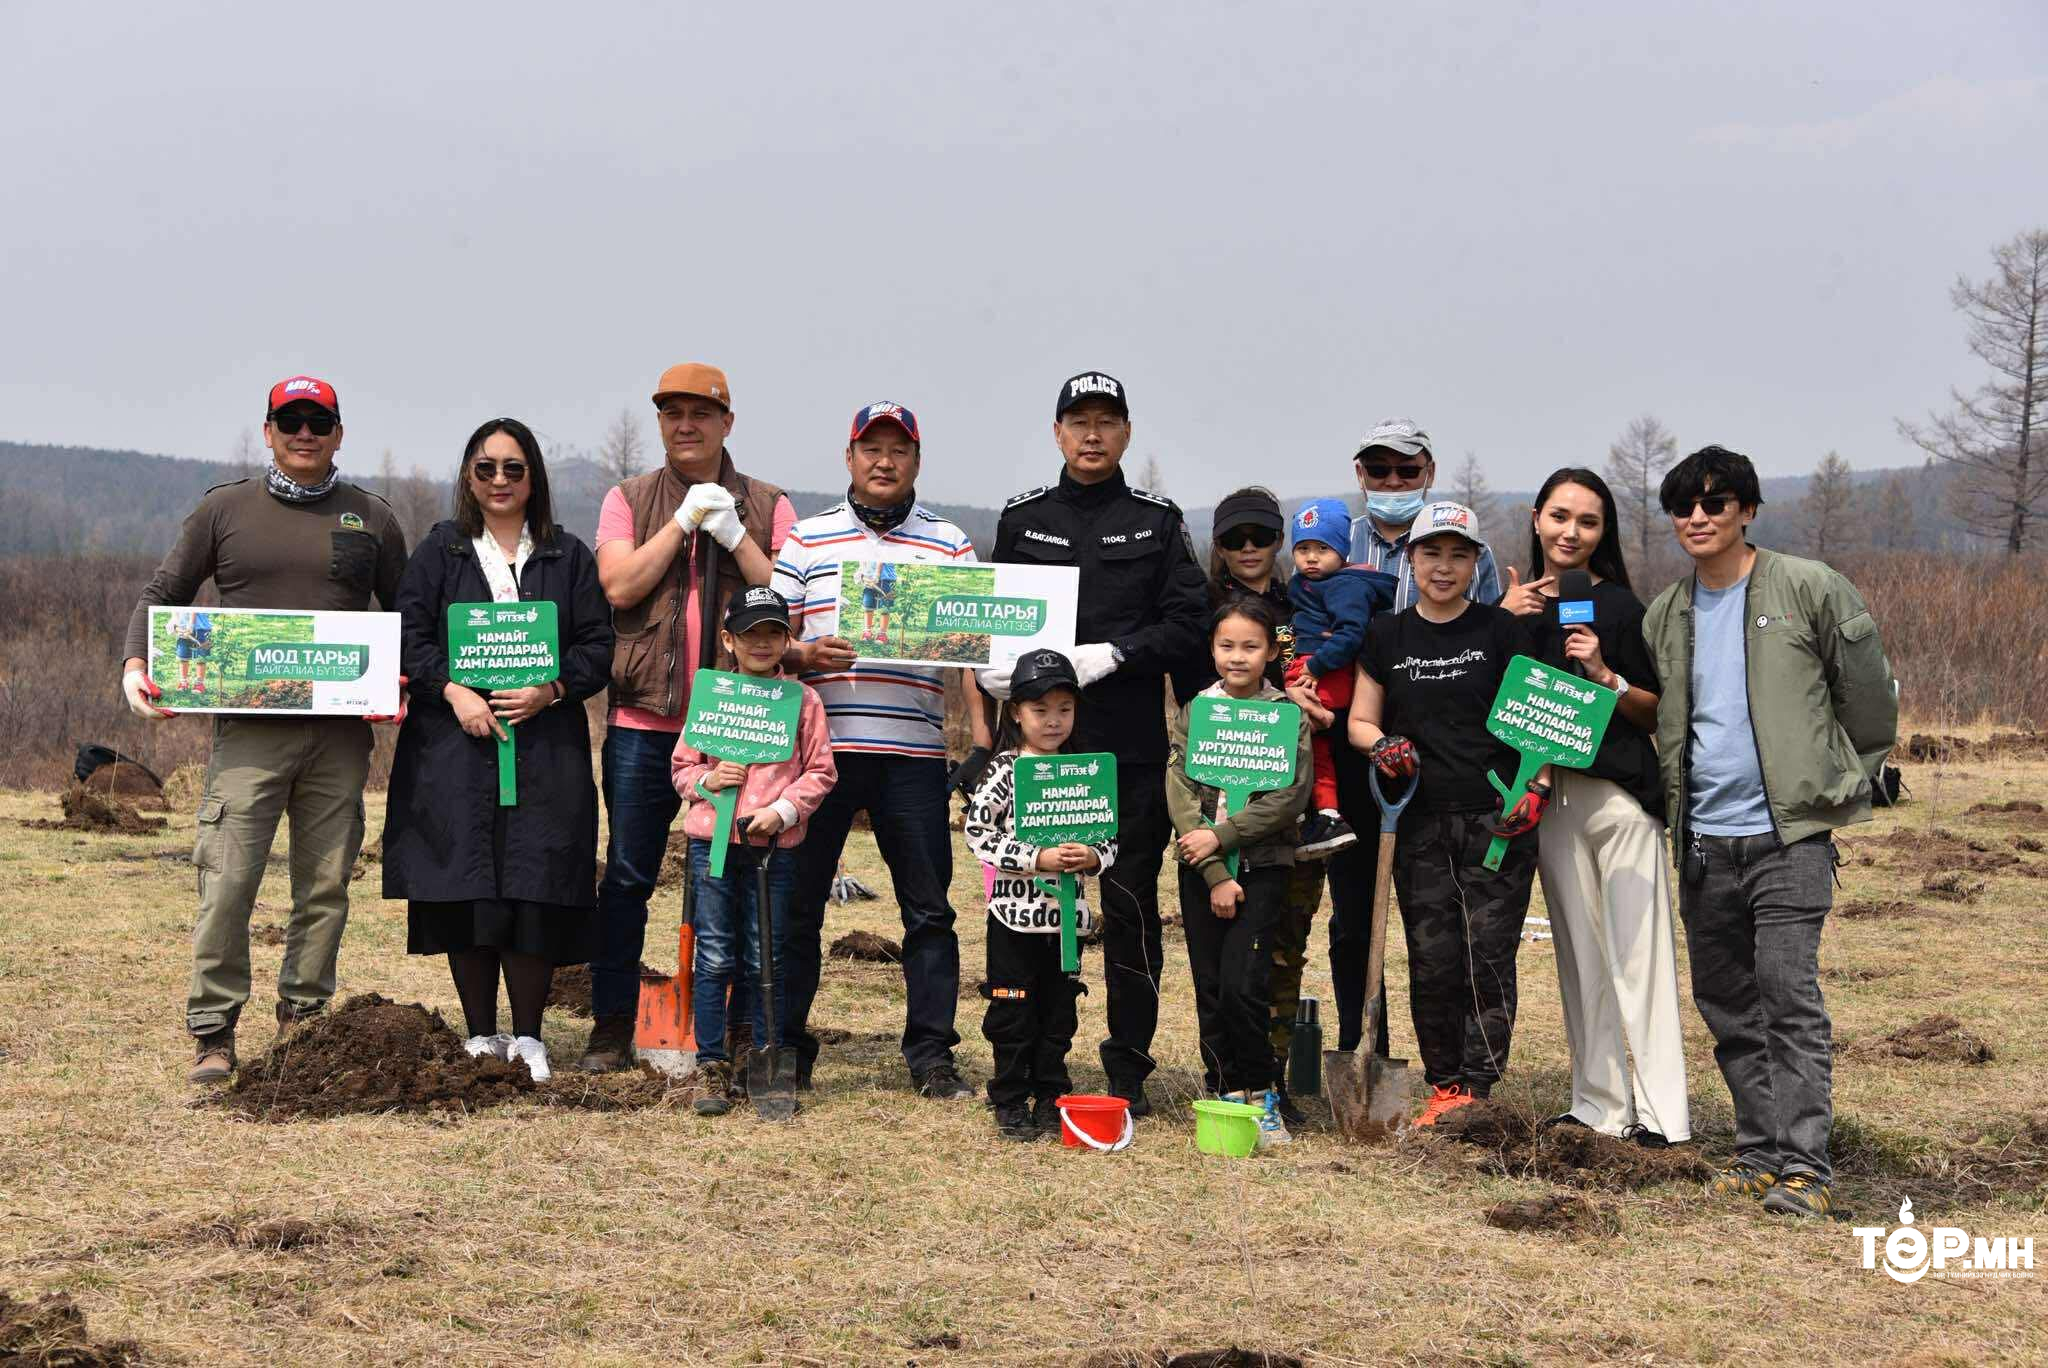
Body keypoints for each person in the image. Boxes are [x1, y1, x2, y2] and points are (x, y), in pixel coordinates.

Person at [120, 375, 407, 1083]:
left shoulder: (372, 518)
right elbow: (162, 595)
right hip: (249, 734)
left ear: (339, 433)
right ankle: (214, 1032)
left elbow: (411, 618)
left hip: (340, 739)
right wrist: (136, 667)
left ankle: (304, 1025)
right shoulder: (225, 509)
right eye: (290, 420)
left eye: (318, 421)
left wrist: (403, 681)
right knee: (228, 880)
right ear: (267, 430)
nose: (303, 433)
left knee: (326, 884)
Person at [1643, 445, 1897, 1218]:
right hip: (1702, 843)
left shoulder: (1808, 587)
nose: (1698, 518)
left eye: (1715, 504)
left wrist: (1838, 781)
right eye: (1684, 507)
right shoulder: (1666, 614)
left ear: (1747, 510)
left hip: (1788, 841)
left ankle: (1807, 1168)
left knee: (1789, 997)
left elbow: (1868, 698)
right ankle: (1758, 1154)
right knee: (1727, 1005)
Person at [984, 371, 1209, 1117]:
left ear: (1127, 434)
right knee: (1029, 909)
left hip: (1124, 757)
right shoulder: (1024, 519)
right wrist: (993, 688)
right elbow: (997, 618)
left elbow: (1189, 625)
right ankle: (1033, 1066)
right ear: (1056, 433)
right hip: (1039, 758)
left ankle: (1127, 1072)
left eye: (1107, 422)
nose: (1091, 435)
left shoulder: (1155, 521)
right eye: (1077, 422)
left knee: (1128, 915)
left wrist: (1116, 653)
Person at [380, 419, 612, 1083]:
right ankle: (481, 1031)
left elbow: (598, 644)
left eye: (514, 468)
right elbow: (409, 634)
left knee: (535, 885)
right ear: (468, 478)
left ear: (533, 476)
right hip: (457, 748)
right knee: (471, 886)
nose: (500, 481)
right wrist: (451, 691)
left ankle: (532, 1036)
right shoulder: (441, 552)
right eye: (486, 469)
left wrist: (553, 688)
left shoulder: (566, 557)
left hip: (546, 749)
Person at [581, 363, 797, 1073]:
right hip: (646, 725)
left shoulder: (770, 504)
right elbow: (618, 585)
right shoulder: (629, 499)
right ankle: (612, 1022)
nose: (685, 425)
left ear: (727, 422)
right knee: (630, 876)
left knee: (739, 876)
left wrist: (735, 535)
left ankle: (736, 1029)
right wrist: (680, 523)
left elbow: (788, 602)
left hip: (741, 728)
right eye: (672, 413)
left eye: (701, 413)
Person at [772, 402, 990, 1097]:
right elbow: (762, 646)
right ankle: (786, 1048)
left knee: (928, 912)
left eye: (899, 450)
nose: (884, 461)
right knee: (798, 907)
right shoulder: (807, 541)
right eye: (872, 449)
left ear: (917, 462)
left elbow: (973, 653)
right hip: (818, 755)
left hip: (914, 756)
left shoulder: (950, 544)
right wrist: (806, 654)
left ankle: (931, 1056)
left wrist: (982, 736)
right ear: (850, 458)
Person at [1499, 469, 1690, 1147]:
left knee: (1639, 954)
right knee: (1580, 956)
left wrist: (1607, 675)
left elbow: (1656, 711)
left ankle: (1665, 1118)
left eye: (1587, 521)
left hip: (1619, 797)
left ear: (1603, 533)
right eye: (1559, 517)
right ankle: (1599, 1106)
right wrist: (1502, 618)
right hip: (1549, 801)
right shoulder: (1510, 607)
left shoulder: (1619, 608)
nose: (1570, 532)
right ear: (1536, 518)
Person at [1314, 418, 1505, 1062]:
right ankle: (1364, 1043)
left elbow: (1489, 647)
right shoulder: (1339, 542)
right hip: (1361, 756)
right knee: (1354, 918)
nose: (1392, 481)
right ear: (1360, 474)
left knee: (1448, 931)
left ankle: (1460, 1064)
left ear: (1427, 472)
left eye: (1406, 470)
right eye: (1379, 470)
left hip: (1444, 768)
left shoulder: (1459, 545)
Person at [1349, 501, 1543, 1126]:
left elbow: (1542, 723)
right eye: (1432, 553)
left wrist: (1535, 785)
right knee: (1432, 956)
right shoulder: (1387, 635)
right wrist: (1381, 745)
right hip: (1417, 819)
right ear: (1412, 558)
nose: (1444, 566)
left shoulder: (1501, 631)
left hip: (1496, 819)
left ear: (1474, 562)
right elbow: (1360, 719)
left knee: (1487, 951)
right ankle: (1445, 1083)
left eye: (1459, 554)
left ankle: (1480, 1086)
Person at [1169, 487, 1322, 1126]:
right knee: (1209, 988)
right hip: (1200, 865)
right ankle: (1220, 1088)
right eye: (1227, 646)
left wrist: (1225, 841)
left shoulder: (1287, 716)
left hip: (1261, 863)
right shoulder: (1195, 711)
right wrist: (1209, 865)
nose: (1238, 657)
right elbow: (1179, 787)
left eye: (1251, 648)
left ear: (1271, 653)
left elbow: (1290, 795)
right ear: (1212, 650)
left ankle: (1262, 1093)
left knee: (1246, 985)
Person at [669, 587, 838, 1115]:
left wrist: (783, 811)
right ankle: (711, 1065)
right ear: (728, 641)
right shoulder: (712, 696)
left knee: (768, 955)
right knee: (715, 955)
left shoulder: (804, 702)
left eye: (772, 633)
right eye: (750, 634)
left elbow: (821, 771)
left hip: (775, 851)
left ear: (787, 640)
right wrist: (709, 778)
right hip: (711, 848)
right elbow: (681, 770)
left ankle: (763, 1058)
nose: (762, 643)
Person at [961, 650, 1117, 1141]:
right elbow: (978, 833)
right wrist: (1035, 858)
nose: (1053, 721)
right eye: (1040, 710)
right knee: (1012, 1008)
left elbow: (1109, 837)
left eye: (1064, 709)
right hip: (1012, 916)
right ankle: (1008, 1095)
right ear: (1015, 712)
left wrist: (1092, 857)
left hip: (1066, 920)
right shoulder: (1004, 771)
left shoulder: (1085, 771)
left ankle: (1051, 1093)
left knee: (1059, 1009)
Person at [1283, 497, 1395, 858]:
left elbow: (1350, 635)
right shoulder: (1305, 583)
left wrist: (1315, 666)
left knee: (1297, 732)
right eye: (1303, 548)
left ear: (1342, 550)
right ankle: (1325, 812)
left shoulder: (1347, 586)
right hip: (1313, 667)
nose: (1311, 557)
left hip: (1328, 673)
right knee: (1315, 751)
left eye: (1322, 548)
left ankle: (1308, 810)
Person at [170, 609, 213, 693]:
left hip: (201, 628)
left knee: (201, 658)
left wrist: (191, 626)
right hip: (183, 628)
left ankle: (199, 684)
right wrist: (178, 628)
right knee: (183, 657)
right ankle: (183, 682)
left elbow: (194, 610)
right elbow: (174, 613)